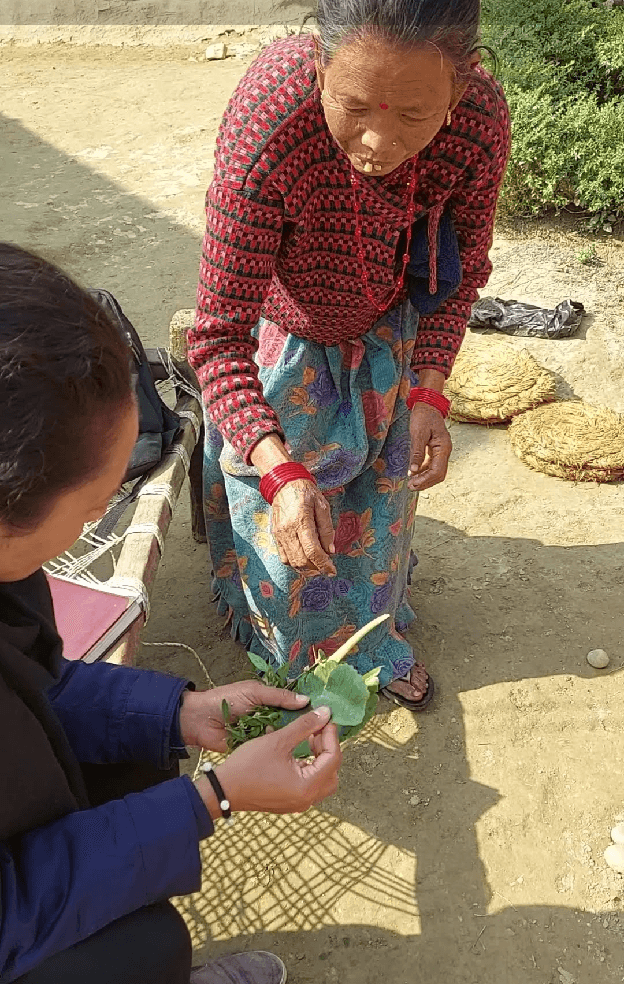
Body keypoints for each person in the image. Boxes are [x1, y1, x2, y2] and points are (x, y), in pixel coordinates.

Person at [0, 243, 342, 984]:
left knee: (139, 763)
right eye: (97, 505)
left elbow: (40, 684)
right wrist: (215, 796)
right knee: (142, 950)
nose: (103, 520)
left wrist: (184, 712)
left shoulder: (11, 567)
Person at [188, 0, 511, 711]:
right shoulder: (272, 116)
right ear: (319, 63)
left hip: (390, 330)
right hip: (287, 335)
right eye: (354, 104)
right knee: (288, 528)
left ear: (463, 88)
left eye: (414, 116)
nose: (376, 141)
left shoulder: (479, 124)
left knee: (379, 503)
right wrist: (277, 469)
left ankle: (369, 638)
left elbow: (467, 271)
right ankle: (292, 653)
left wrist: (428, 390)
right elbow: (217, 336)